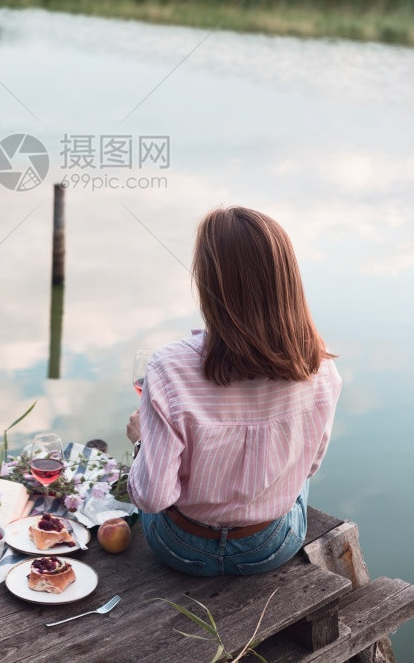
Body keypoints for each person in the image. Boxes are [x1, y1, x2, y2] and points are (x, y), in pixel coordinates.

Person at [126, 205, 341, 576]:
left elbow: (152, 498)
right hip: (270, 545)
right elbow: (311, 466)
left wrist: (143, 442)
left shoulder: (167, 368)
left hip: (180, 548)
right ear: (286, 278)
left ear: (209, 281)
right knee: (297, 483)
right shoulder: (320, 367)